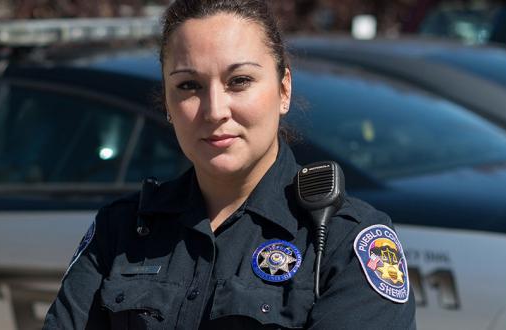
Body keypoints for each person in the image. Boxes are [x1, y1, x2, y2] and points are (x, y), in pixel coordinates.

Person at [43, 0, 417, 328]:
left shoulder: (341, 240)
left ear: (284, 89)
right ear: (167, 104)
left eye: (239, 81)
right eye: (189, 86)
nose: (215, 111)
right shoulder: (121, 229)